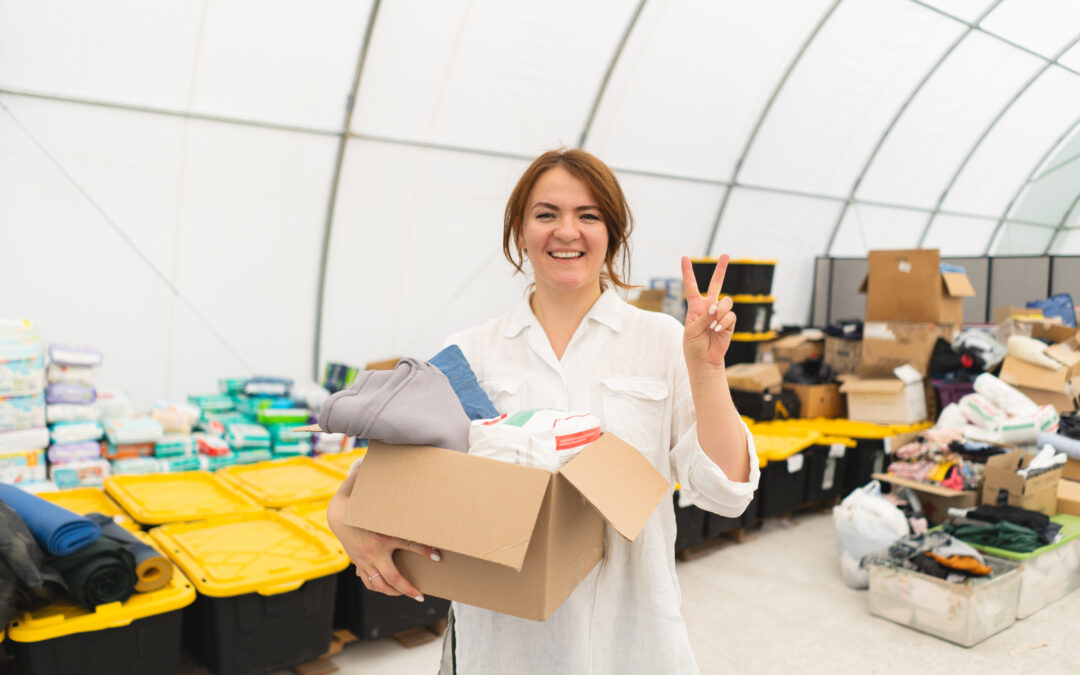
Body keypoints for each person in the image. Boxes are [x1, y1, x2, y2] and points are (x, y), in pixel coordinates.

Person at [327, 148, 759, 674]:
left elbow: (727, 493)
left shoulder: (664, 341)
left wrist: (708, 369)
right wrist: (343, 520)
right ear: (520, 229)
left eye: (588, 215)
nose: (566, 231)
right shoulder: (471, 353)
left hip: (632, 639)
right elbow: (389, 483)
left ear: (613, 232)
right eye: (546, 213)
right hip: (504, 646)